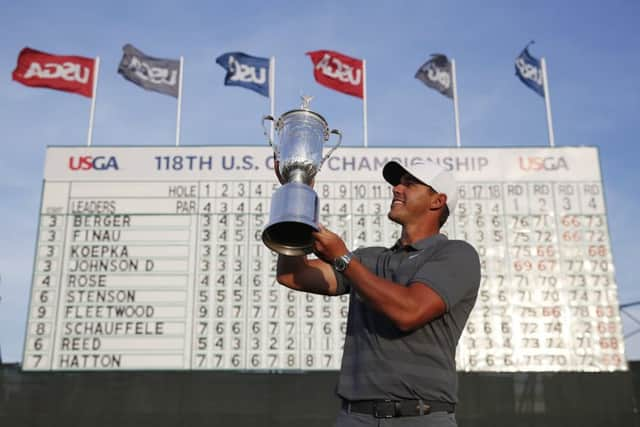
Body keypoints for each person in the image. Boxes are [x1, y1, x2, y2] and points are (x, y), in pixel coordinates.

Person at [275, 159, 481, 426]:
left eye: (409, 184)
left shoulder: (456, 254)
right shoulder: (369, 259)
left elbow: (409, 311)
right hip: (355, 417)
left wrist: (344, 260)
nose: (396, 189)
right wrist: (296, 196)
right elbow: (293, 274)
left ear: (437, 201)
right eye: (397, 183)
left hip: (422, 417)